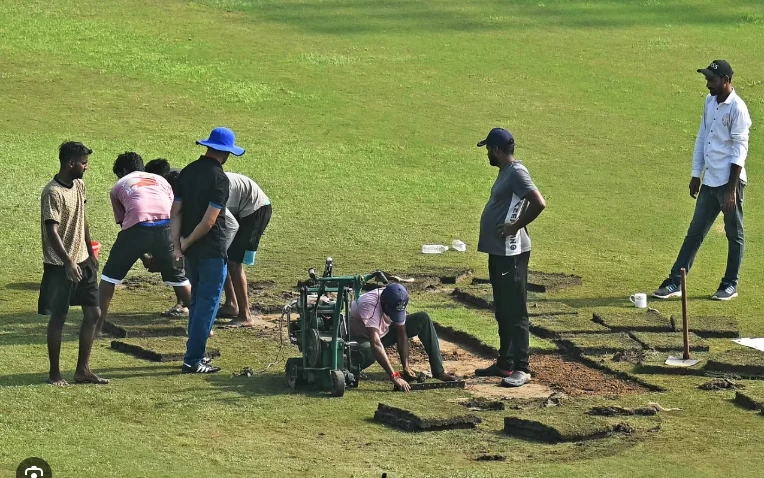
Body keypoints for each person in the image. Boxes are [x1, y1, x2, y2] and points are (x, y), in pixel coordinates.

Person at [653, 60, 752, 301]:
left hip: (730, 182)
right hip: (710, 181)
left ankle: (730, 284)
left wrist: (731, 191)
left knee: (734, 234)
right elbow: (703, 138)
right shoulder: (710, 103)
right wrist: (696, 174)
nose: (708, 84)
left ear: (726, 80)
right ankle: (675, 281)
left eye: (712, 80)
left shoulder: (738, 109)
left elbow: (740, 150)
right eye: (707, 79)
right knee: (695, 231)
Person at [473, 128, 546, 388]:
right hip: (499, 252)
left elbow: (538, 202)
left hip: (512, 253)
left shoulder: (516, 172)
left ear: (496, 149)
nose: (487, 155)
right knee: (503, 310)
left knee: (516, 311)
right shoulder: (506, 172)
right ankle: (505, 363)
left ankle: (522, 368)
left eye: (488, 150)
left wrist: (514, 227)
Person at [171, 127, 245, 374]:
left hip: (190, 250)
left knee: (197, 303)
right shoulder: (220, 179)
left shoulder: (187, 172)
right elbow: (209, 221)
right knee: (207, 304)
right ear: (226, 153)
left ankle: (194, 354)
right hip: (210, 249)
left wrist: (178, 245)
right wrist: (189, 241)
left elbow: (176, 212)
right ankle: (193, 359)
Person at [95, 152, 192, 336]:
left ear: (123, 171)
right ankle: (204, 328)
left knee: (109, 278)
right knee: (179, 278)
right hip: (168, 226)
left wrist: (145, 256)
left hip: (137, 225)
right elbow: (172, 210)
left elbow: (127, 225)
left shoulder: (118, 186)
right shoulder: (161, 180)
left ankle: (96, 328)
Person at [39, 141, 108, 385]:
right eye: (83, 163)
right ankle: (54, 374)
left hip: (83, 261)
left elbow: (83, 219)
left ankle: (83, 370)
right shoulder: (52, 192)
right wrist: (67, 261)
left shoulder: (79, 185)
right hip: (60, 266)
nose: (86, 167)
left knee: (94, 313)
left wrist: (90, 252)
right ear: (71, 163)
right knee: (58, 317)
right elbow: (52, 230)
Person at [349, 283, 456, 392]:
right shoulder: (369, 304)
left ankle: (439, 371)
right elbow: (375, 343)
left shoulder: (399, 299)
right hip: (358, 338)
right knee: (369, 351)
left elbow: (402, 334)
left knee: (422, 319)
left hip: (382, 332)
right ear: (384, 303)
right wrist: (394, 376)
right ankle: (349, 369)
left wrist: (406, 366)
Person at [217, 172, 272, 327]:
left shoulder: (212, 191)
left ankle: (245, 315)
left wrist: (223, 249)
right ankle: (231, 305)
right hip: (238, 208)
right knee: (225, 257)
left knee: (233, 262)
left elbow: (231, 225)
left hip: (255, 209)